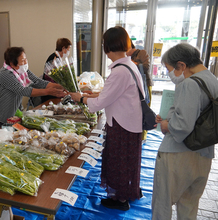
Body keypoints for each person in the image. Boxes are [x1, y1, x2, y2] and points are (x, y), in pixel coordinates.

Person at [70, 26, 144, 211]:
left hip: (122, 125)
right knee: (128, 161)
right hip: (130, 122)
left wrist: (81, 98)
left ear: (108, 46)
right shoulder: (129, 66)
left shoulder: (119, 71)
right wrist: (94, 95)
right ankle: (130, 191)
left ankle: (120, 200)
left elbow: (99, 104)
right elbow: (111, 95)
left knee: (119, 161)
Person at [152, 43, 218, 219]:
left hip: (178, 155)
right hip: (204, 153)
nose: (169, 74)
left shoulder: (189, 83)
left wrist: (166, 125)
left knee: (162, 204)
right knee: (189, 206)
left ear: (181, 65)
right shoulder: (213, 80)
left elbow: (182, 127)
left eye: (169, 69)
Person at [0, 47, 65, 131]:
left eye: (26, 59)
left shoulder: (22, 70)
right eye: (22, 61)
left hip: (11, 112)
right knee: (0, 139)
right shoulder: (5, 74)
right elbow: (23, 90)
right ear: (12, 64)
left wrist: (60, 86)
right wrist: (49, 92)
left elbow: (37, 81)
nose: (25, 62)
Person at [126, 41, 154, 142]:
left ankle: (143, 137)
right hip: (132, 87)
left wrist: (133, 64)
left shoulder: (142, 53)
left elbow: (146, 67)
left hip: (145, 85)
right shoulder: (124, 58)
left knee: (145, 109)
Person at [41, 38, 72, 103]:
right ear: (63, 48)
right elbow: (51, 77)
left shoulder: (58, 58)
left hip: (55, 90)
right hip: (51, 93)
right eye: (68, 48)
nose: (69, 51)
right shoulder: (54, 59)